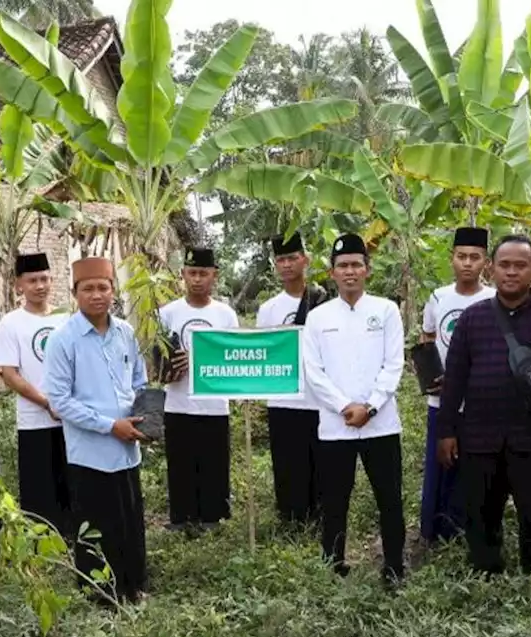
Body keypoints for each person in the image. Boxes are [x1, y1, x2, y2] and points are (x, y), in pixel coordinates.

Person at [437, 235, 531, 575]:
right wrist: (446, 430)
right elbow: (455, 379)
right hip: (479, 438)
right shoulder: (473, 319)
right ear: (492, 268)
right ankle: (485, 576)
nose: (512, 272)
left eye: (521, 265)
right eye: (504, 265)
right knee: (482, 516)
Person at [43, 257, 150, 602]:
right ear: (75, 293)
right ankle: (100, 595)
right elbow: (60, 401)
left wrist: (142, 417)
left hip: (127, 448)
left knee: (130, 521)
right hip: (90, 452)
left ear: (113, 291)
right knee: (96, 524)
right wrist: (109, 426)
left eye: (103, 287)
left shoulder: (125, 332)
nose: (96, 295)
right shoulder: (63, 340)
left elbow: (139, 379)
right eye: (88, 288)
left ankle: (134, 585)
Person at [303, 233, 406, 587]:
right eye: (343, 266)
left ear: (368, 270)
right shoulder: (317, 318)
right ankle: (334, 566)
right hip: (335, 426)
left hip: (381, 425)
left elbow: (394, 364)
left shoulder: (386, 310)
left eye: (356, 265)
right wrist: (345, 406)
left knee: (389, 499)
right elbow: (313, 372)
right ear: (331, 273)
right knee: (334, 500)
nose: (350, 272)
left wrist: (372, 407)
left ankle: (394, 568)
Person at [419, 226, 496, 543]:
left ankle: (468, 531)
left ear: (485, 262)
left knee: (474, 468)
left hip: (481, 404)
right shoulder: (438, 297)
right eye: (461, 256)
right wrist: (429, 375)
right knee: (440, 465)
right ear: (452, 259)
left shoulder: (493, 299)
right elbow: (427, 337)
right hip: (441, 401)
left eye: (474, 257)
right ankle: (433, 532)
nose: (467, 263)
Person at [160, 247, 240, 531]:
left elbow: (232, 356)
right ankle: (181, 519)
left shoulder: (225, 315)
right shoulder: (167, 313)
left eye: (203, 273)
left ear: (214, 276)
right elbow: (156, 360)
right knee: (180, 463)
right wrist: (169, 367)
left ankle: (212, 517)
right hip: (177, 402)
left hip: (214, 403)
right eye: (192, 273)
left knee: (214, 462)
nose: (197, 279)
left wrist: (198, 360)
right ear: (182, 274)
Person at [0, 253, 71, 533]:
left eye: (44, 279)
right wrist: (46, 402)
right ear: (19, 285)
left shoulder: (65, 318)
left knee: (70, 481)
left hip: (70, 416)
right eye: (32, 281)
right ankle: (42, 543)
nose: (40, 286)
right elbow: (10, 374)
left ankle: (74, 539)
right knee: (39, 486)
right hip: (34, 419)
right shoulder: (11, 323)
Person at [256, 232, 322, 526]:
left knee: (321, 461)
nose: (286, 265)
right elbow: (264, 353)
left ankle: (320, 515)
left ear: (305, 260)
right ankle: (291, 518)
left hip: (320, 397)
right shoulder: (269, 308)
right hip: (283, 397)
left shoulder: (323, 300)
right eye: (281, 259)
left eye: (292, 258)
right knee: (286, 462)